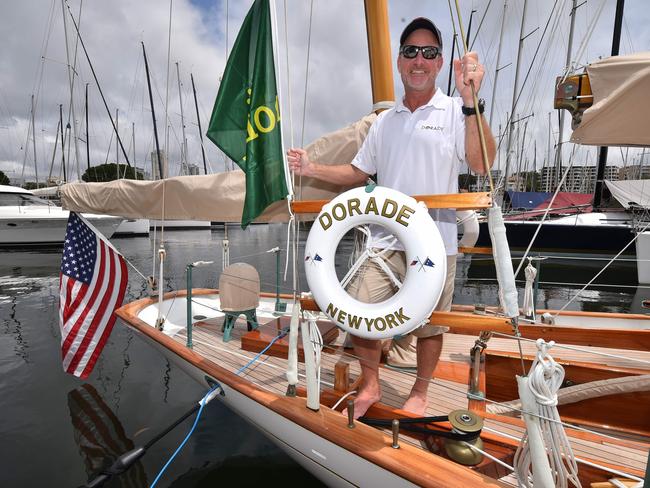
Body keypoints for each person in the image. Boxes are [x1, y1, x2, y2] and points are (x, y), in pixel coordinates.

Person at [287, 17, 496, 417]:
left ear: (439, 63)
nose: (420, 59)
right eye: (411, 52)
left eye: (429, 52)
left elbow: (480, 162)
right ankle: (371, 383)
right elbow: (357, 172)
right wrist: (312, 169)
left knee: (431, 325)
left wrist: (471, 101)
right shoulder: (385, 123)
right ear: (400, 62)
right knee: (360, 312)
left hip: (437, 241)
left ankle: (420, 390)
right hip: (384, 244)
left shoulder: (456, 110)